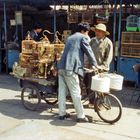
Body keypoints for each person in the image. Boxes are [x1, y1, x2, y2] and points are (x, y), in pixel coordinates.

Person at [57, 22, 99, 122]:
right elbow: (89, 52)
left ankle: (62, 114)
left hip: (61, 67)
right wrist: (95, 64)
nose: (87, 34)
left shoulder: (70, 38)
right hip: (70, 69)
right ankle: (81, 116)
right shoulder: (82, 37)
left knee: (62, 92)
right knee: (76, 92)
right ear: (83, 31)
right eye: (87, 32)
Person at [86, 23, 113, 105]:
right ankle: (91, 102)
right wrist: (88, 64)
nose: (97, 33)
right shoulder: (92, 41)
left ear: (104, 33)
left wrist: (103, 67)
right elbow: (88, 53)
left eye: (100, 31)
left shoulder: (108, 42)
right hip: (92, 67)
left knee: (101, 87)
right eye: (96, 31)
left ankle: (101, 103)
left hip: (102, 69)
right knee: (90, 85)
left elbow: (108, 57)